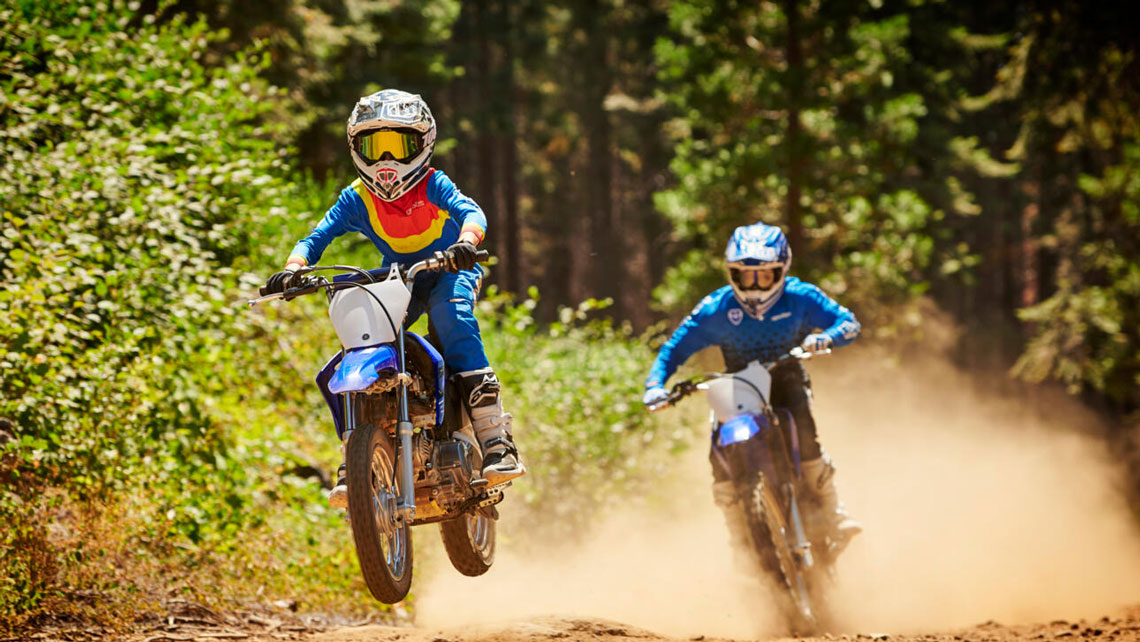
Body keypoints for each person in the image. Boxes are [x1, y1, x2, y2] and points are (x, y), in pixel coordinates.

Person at [261, 89, 525, 507]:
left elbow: (471, 212)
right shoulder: (357, 198)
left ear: (423, 145)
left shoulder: (433, 184)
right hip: (399, 277)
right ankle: (356, 457)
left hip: (449, 269)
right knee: (362, 336)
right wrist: (294, 269)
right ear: (356, 149)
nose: (386, 162)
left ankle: (496, 440)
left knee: (452, 320)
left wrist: (465, 243)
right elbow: (315, 237)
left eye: (398, 147)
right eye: (374, 147)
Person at [642, 221, 862, 547]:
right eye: (745, 276)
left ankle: (834, 512)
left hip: (787, 380)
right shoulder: (715, 308)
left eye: (764, 275)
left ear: (781, 270)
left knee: (805, 434)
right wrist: (656, 385)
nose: (755, 286)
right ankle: (740, 541)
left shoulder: (800, 297)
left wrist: (826, 338)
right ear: (732, 273)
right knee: (719, 452)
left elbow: (848, 323)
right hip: (738, 386)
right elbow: (673, 349)